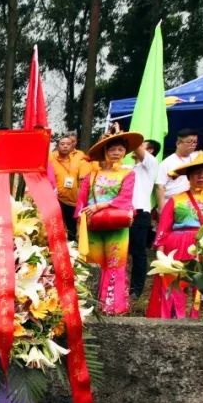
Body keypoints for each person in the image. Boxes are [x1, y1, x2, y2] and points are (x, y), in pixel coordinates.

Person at [147, 155, 203, 318]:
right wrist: (160, 252)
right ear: (188, 176)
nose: (201, 176)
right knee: (174, 283)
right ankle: (171, 319)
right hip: (177, 244)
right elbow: (163, 228)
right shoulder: (176, 199)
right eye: (196, 173)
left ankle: (202, 318)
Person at [75, 131, 142, 315]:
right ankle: (89, 304)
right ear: (105, 151)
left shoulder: (128, 174)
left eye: (120, 149)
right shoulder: (92, 175)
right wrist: (79, 222)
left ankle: (112, 306)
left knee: (115, 263)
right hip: (92, 223)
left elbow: (125, 197)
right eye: (112, 148)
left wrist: (100, 205)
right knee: (92, 262)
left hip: (116, 224)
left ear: (125, 152)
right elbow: (81, 199)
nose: (116, 152)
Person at [129, 139, 160, 298]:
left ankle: (136, 289)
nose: (136, 148)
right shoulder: (128, 167)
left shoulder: (151, 164)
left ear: (151, 150)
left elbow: (135, 146)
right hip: (122, 213)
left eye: (143, 145)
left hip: (140, 213)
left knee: (138, 252)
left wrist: (126, 136)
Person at [49, 133, 95, 239]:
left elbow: (84, 180)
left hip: (72, 200)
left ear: (72, 146)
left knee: (71, 228)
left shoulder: (79, 159)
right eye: (62, 144)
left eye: (68, 144)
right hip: (56, 199)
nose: (65, 146)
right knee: (55, 226)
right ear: (58, 145)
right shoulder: (52, 158)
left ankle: (71, 250)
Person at [155, 129, 203, 210]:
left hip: (193, 203)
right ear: (178, 143)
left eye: (195, 142)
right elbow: (159, 187)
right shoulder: (166, 163)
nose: (193, 145)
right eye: (189, 142)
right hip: (172, 204)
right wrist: (162, 209)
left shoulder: (196, 158)